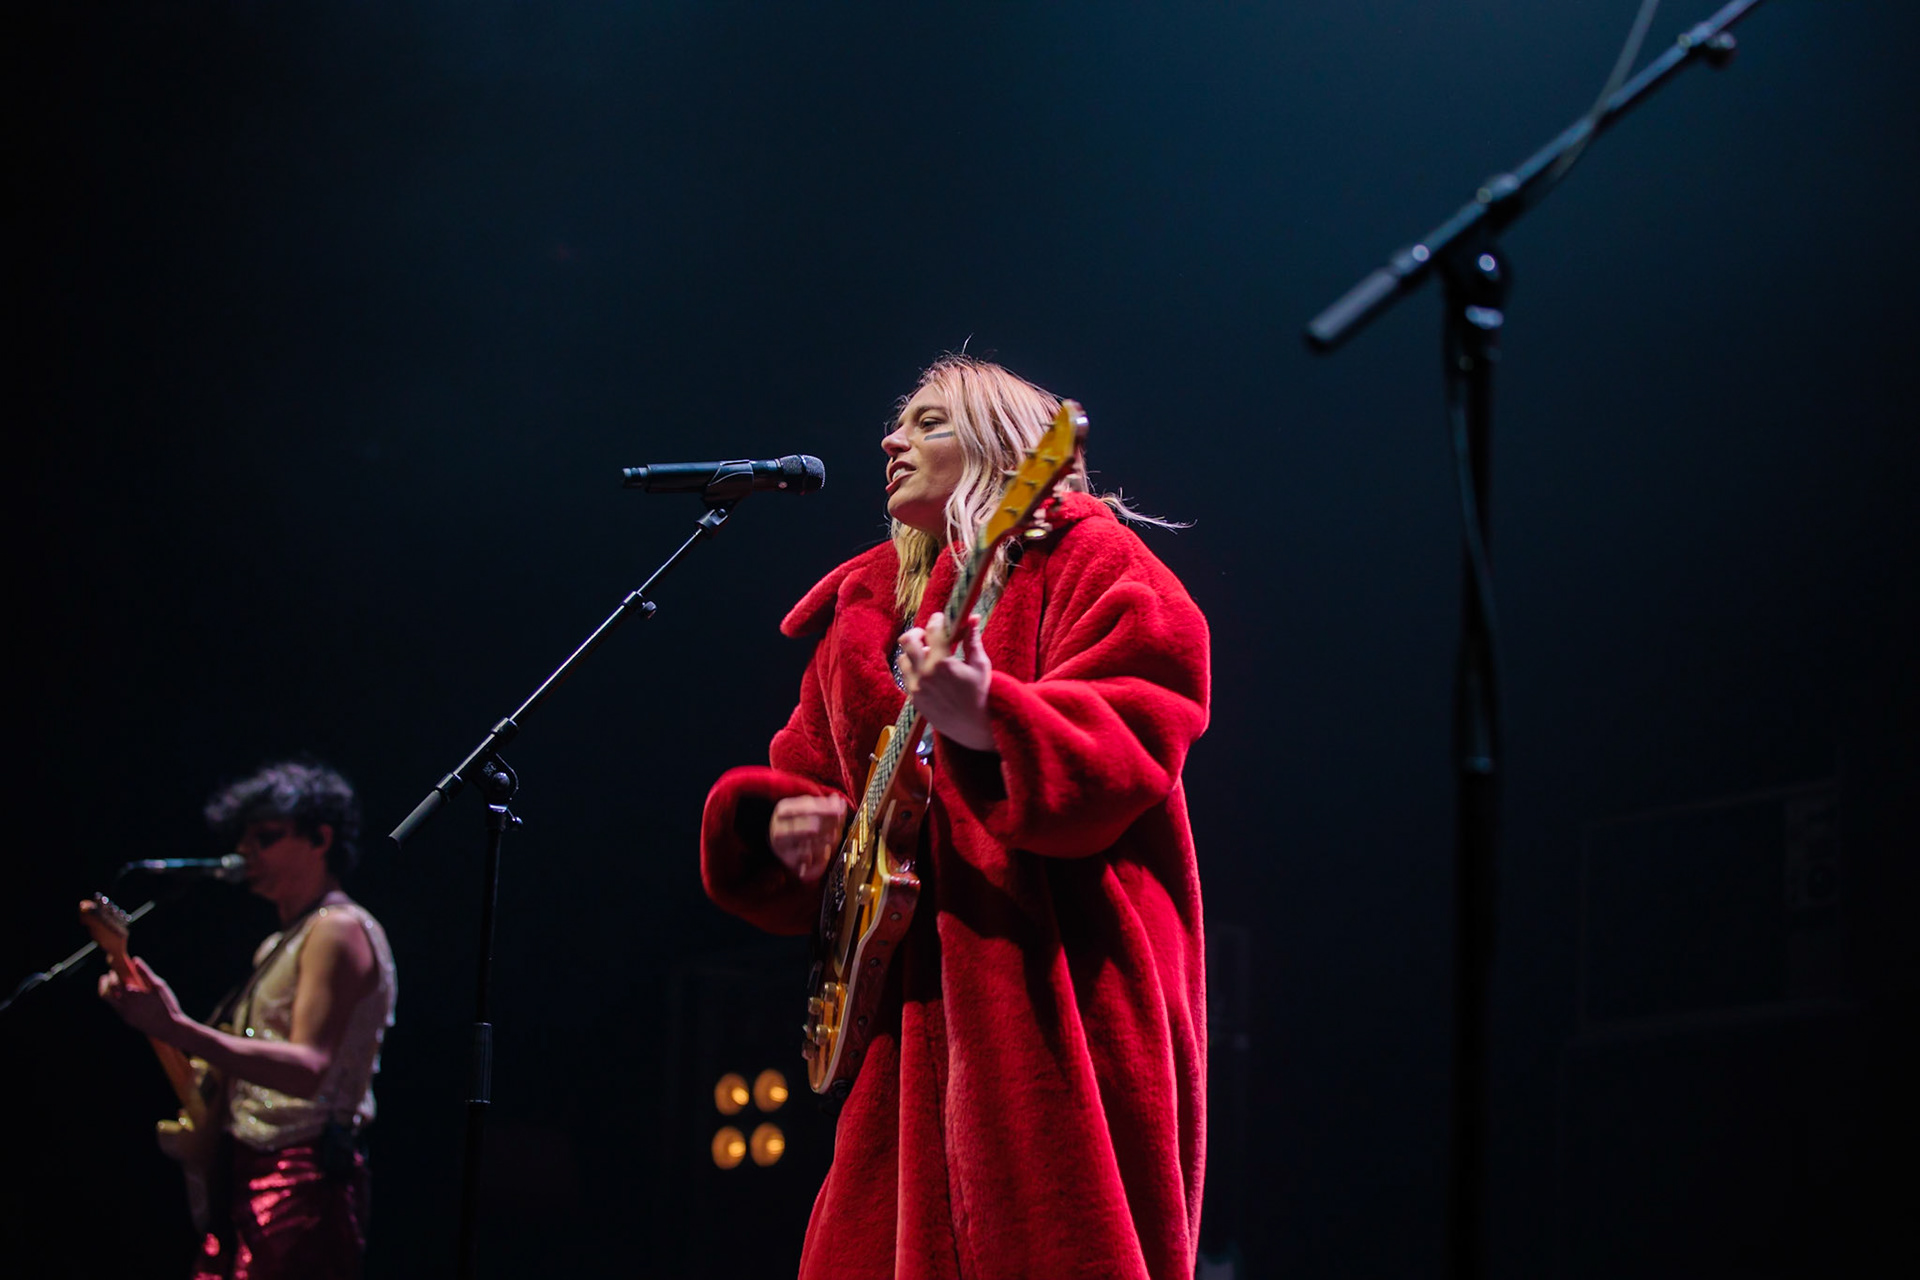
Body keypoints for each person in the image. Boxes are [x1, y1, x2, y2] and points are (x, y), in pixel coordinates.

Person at [700, 355, 1211, 1280]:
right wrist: (785, 829)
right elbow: (807, 775)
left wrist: (991, 721)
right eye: (898, 425)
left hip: (1053, 992)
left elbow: (1144, 720)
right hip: (905, 1019)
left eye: (929, 423)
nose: (892, 441)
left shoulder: (1089, 556)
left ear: (1005, 447)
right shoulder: (862, 613)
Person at [98, 759, 397, 1279]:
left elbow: (309, 1068)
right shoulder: (279, 944)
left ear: (320, 838)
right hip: (252, 1174)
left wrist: (176, 1027)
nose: (245, 853)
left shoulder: (339, 929)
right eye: (245, 838)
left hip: (301, 1180)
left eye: (266, 837)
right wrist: (155, 1019)